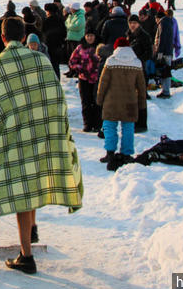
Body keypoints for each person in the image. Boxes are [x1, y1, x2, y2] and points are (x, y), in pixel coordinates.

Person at [0, 17, 83, 275]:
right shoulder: (41, 60)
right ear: (23, 37)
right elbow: (55, 95)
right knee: (34, 181)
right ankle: (31, 230)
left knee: (22, 189)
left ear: (1, 37)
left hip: (17, 133)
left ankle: (26, 255)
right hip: (44, 130)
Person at [96, 38, 147, 171]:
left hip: (111, 101)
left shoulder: (111, 61)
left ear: (116, 47)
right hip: (130, 102)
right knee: (128, 128)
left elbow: (103, 83)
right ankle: (126, 153)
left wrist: (100, 99)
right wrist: (142, 103)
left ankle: (110, 152)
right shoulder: (137, 63)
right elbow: (141, 86)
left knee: (109, 127)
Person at [68, 27, 102, 133]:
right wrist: (80, 68)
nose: (90, 38)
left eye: (91, 36)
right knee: (86, 102)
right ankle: (87, 123)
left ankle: (97, 124)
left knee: (96, 102)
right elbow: (72, 62)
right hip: (84, 79)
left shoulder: (100, 47)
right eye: (88, 36)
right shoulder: (80, 48)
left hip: (97, 79)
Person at [153, 11, 174, 98]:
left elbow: (162, 38)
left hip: (164, 52)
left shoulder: (162, 23)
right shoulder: (169, 22)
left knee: (164, 71)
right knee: (167, 71)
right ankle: (166, 90)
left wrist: (159, 52)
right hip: (168, 51)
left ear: (158, 18)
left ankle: (165, 91)